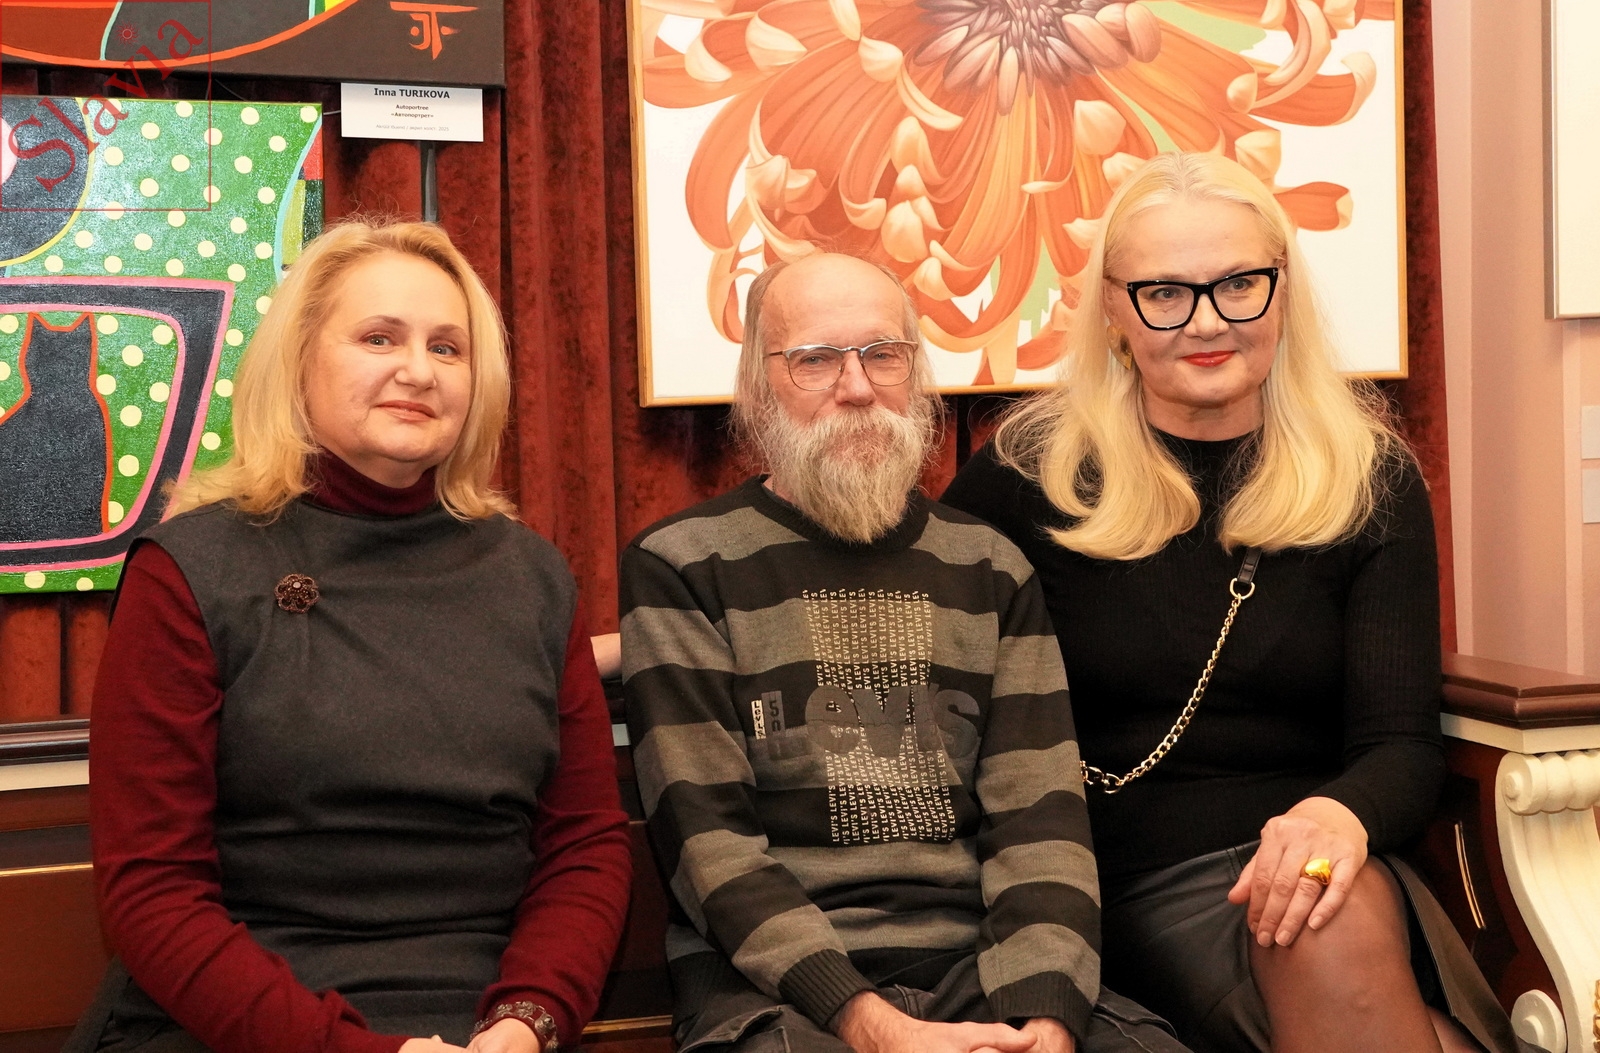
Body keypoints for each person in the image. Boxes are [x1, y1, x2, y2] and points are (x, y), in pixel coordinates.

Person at [942, 152, 1529, 1053]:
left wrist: (1337, 817)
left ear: (1282, 289)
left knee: (1315, 909)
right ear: (1113, 310)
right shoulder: (1029, 477)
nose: (1208, 320)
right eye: (1165, 293)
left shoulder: (1369, 477)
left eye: (1239, 284)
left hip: (1328, 856)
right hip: (1131, 877)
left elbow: (1401, 744)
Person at [72, 220, 632, 1053]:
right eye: (379, 338)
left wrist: (529, 1019)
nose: (418, 370)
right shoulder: (188, 570)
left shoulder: (533, 576)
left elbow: (583, 845)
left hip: (489, 1024)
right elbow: (154, 893)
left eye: (447, 348)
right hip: (241, 1024)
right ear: (299, 360)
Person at [619, 251, 1189, 1053]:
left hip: (978, 968)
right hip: (775, 991)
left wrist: (1046, 1016)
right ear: (757, 385)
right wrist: (875, 1025)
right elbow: (708, 848)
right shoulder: (681, 566)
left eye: (883, 355)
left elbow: (1043, 826)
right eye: (815, 359)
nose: (857, 387)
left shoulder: (990, 567)